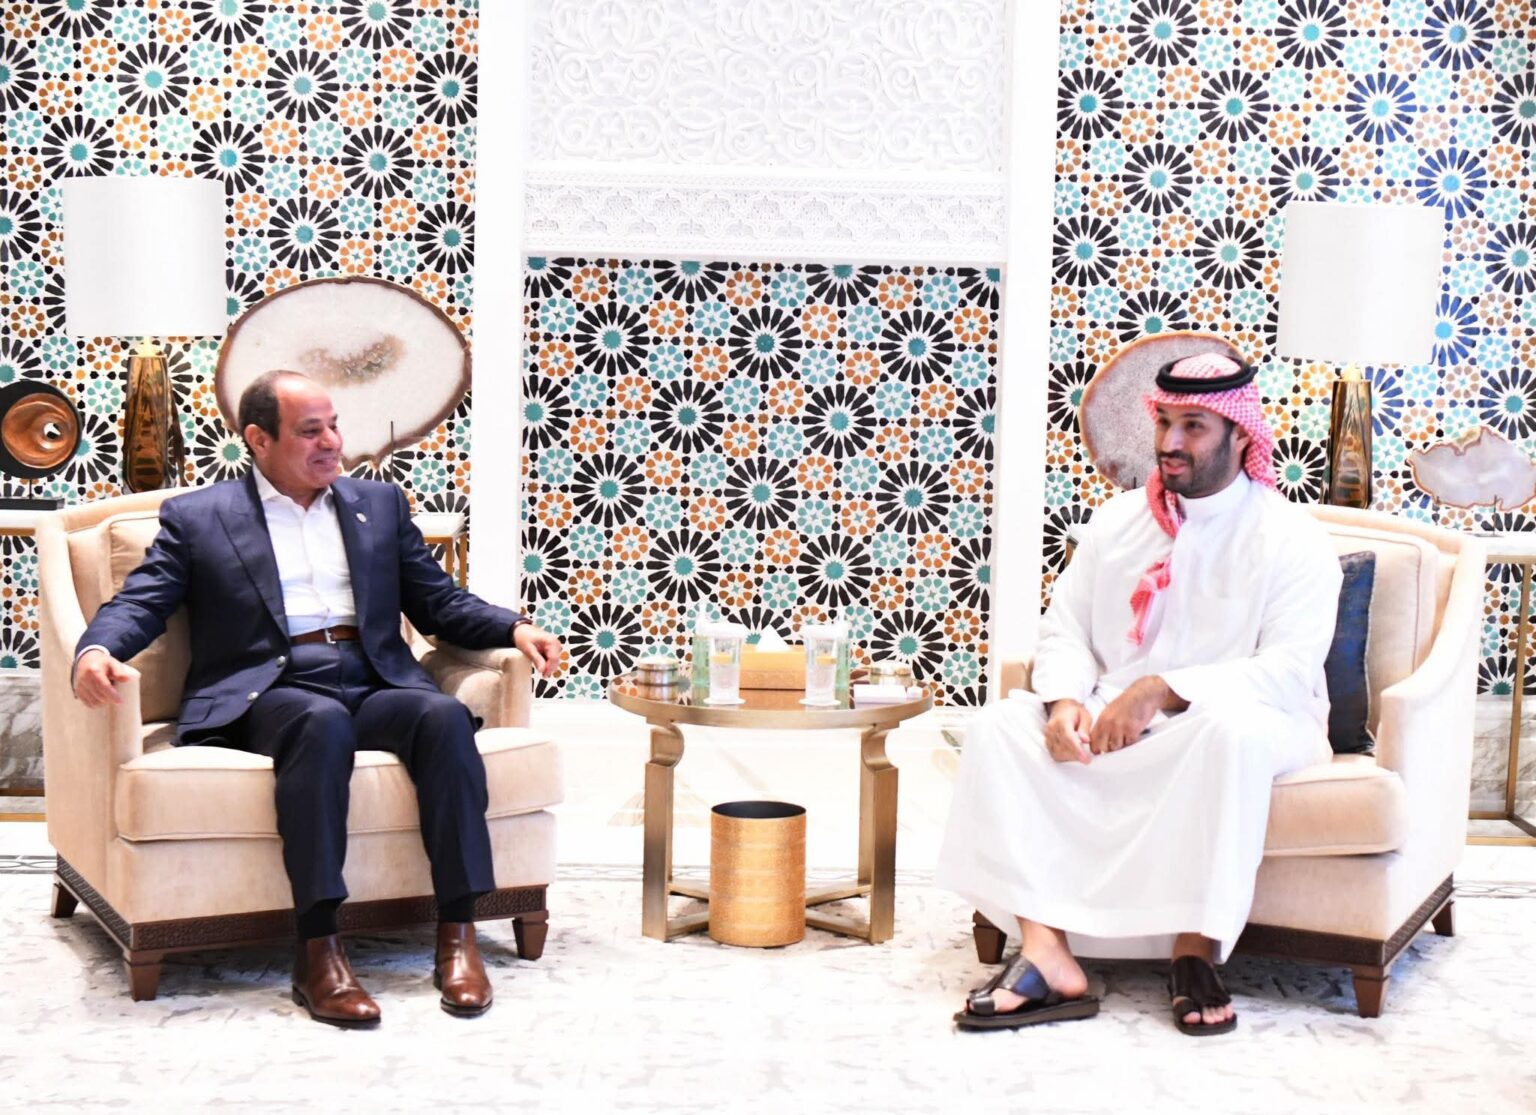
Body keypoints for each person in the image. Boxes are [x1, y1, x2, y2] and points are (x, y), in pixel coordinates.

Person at [73, 369, 562, 1029]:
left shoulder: (378, 504)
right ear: (259, 439)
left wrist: (513, 627)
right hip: (271, 688)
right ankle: (319, 949)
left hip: (371, 676)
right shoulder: (200, 517)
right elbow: (142, 600)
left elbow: (438, 601)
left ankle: (458, 934)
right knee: (320, 720)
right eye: (311, 430)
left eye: (333, 425)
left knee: (443, 715)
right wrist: (96, 650)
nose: (332, 441)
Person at [936, 352, 1340, 1036]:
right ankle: (1047, 951)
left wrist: (1162, 690)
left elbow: (1288, 670)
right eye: (1164, 422)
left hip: (1245, 719)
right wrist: (1065, 701)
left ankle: (1194, 950)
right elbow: (1066, 628)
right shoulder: (1118, 521)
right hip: (1116, 716)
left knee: (1229, 735)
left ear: (1240, 433)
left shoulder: (1290, 537)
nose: (1170, 442)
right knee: (1000, 726)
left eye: (1194, 426)